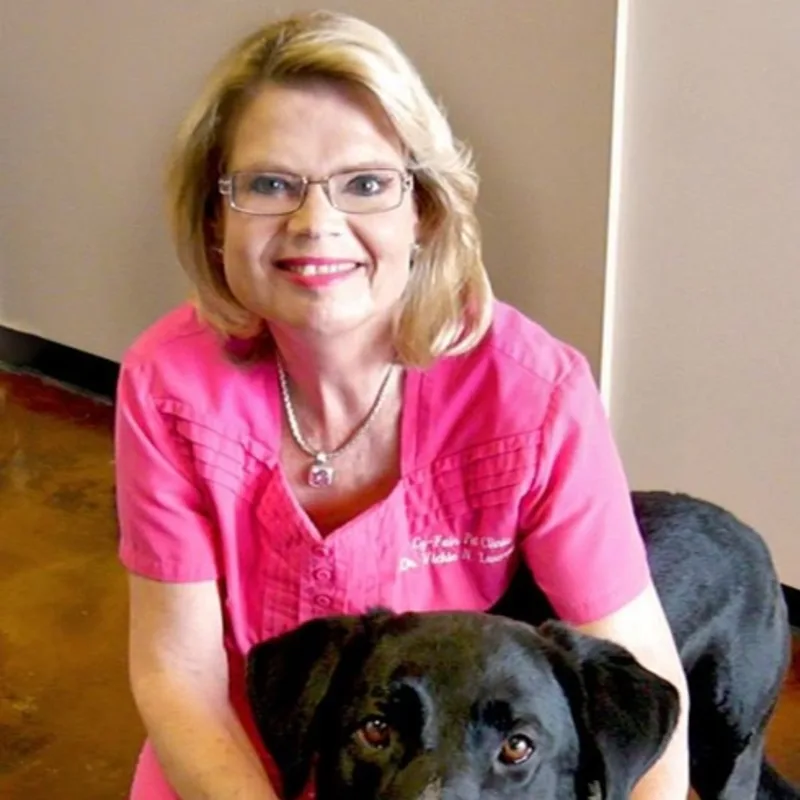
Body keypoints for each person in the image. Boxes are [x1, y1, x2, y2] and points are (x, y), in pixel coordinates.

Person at [114, 9, 690, 799]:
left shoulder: (535, 393)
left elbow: (644, 690)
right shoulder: (168, 384)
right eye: (270, 184)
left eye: (365, 184)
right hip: (233, 757)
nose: (317, 225)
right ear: (216, 218)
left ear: (421, 209)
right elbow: (178, 675)